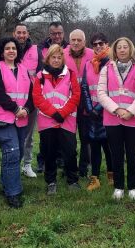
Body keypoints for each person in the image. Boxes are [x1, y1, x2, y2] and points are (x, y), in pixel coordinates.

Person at [0, 38, 34, 208]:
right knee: (12, 152)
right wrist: (15, 109)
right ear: (2, 51)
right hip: (2, 118)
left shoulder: (24, 69)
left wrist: (26, 110)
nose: (11, 51)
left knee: (18, 152)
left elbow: (31, 94)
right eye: (7, 48)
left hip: (21, 118)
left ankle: (7, 184)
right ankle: (13, 193)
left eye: (14, 48)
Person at [98, 37, 135, 200]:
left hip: (134, 119)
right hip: (113, 119)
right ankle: (118, 187)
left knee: (133, 154)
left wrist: (131, 111)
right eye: (119, 47)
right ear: (115, 50)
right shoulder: (106, 69)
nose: (123, 50)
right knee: (116, 154)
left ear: (130, 49)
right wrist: (116, 109)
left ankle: (133, 187)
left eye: (126, 47)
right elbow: (101, 93)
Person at [32, 44, 81, 194]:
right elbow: (37, 98)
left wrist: (63, 113)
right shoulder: (40, 76)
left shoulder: (70, 74)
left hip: (67, 121)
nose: (56, 60)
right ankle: (51, 181)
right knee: (49, 152)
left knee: (70, 151)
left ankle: (72, 179)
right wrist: (54, 113)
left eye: (59, 57)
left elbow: (76, 95)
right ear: (48, 59)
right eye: (53, 57)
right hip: (47, 122)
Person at [81, 32, 114, 191]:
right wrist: (89, 108)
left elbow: (111, 89)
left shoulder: (112, 64)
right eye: (95, 44)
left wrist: (99, 107)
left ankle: (111, 174)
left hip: (107, 111)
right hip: (91, 113)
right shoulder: (89, 64)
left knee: (108, 146)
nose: (98, 46)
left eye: (101, 43)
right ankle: (95, 178)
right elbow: (85, 88)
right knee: (93, 147)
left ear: (107, 44)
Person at [36, 22, 69, 173]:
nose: (57, 36)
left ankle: (62, 160)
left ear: (63, 33)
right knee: (46, 139)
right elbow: (40, 70)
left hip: (64, 101)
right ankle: (43, 161)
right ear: (49, 34)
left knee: (63, 137)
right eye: (54, 33)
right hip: (46, 99)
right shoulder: (40, 49)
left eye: (59, 33)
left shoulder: (69, 47)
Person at [13, 24, 43, 178]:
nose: (21, 35)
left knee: (28, 135)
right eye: (18, 32)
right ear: (14, 33)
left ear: (28, 34)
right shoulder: (9, 48)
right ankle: (13, 165)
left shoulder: (36, 51)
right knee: (14, 135)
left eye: (24, 32)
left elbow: (40, 75)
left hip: (31, 100)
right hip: (12, 100)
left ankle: (27, 165)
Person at [65, 29, 95, 177]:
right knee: (68, 138)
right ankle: (69, 167)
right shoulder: (62, 54)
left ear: (84, 41)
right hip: (67, 102)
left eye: (79, 40)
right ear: (69, 41)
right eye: (73, 40)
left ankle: (84, 168)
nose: (76, 43)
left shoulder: (92, 54)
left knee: (85, 138)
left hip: (86, 102)